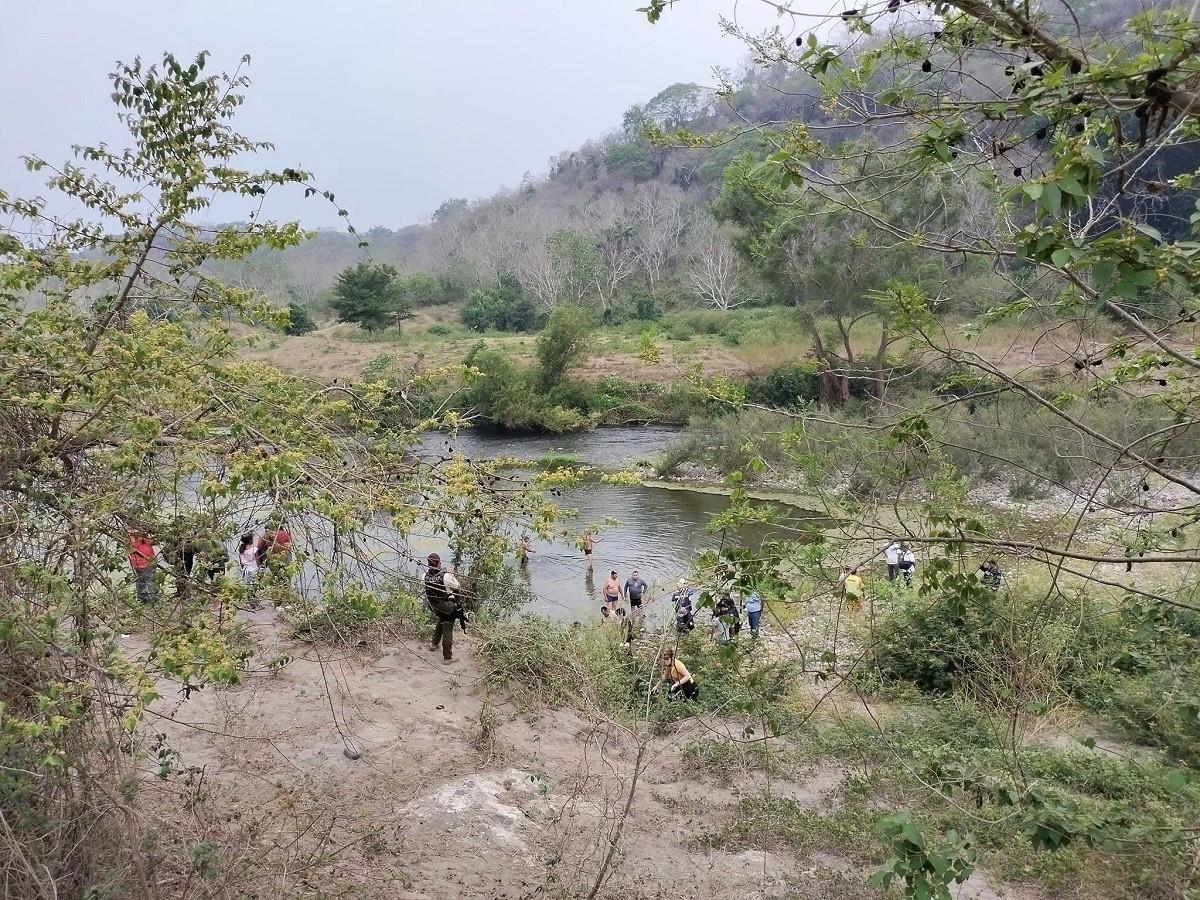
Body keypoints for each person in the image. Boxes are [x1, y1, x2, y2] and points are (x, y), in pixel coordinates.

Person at [424, 553, 466, 664]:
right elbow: (458, 587)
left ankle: (434, 644)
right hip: (447, 607)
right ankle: (447, 658)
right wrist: (452, 574)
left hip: (435, 606)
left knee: (441, 619)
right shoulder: (446, 576)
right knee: (448, 626)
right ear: (439, 562)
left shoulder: (425, 576)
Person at [128, 531, 157, 604]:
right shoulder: (137, 533)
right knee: (150, 580)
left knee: (141, 581)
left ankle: (142, 598)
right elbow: (151, 541)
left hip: (138, 562)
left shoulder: (128, 533)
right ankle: (154, 598)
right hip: (146, 560)